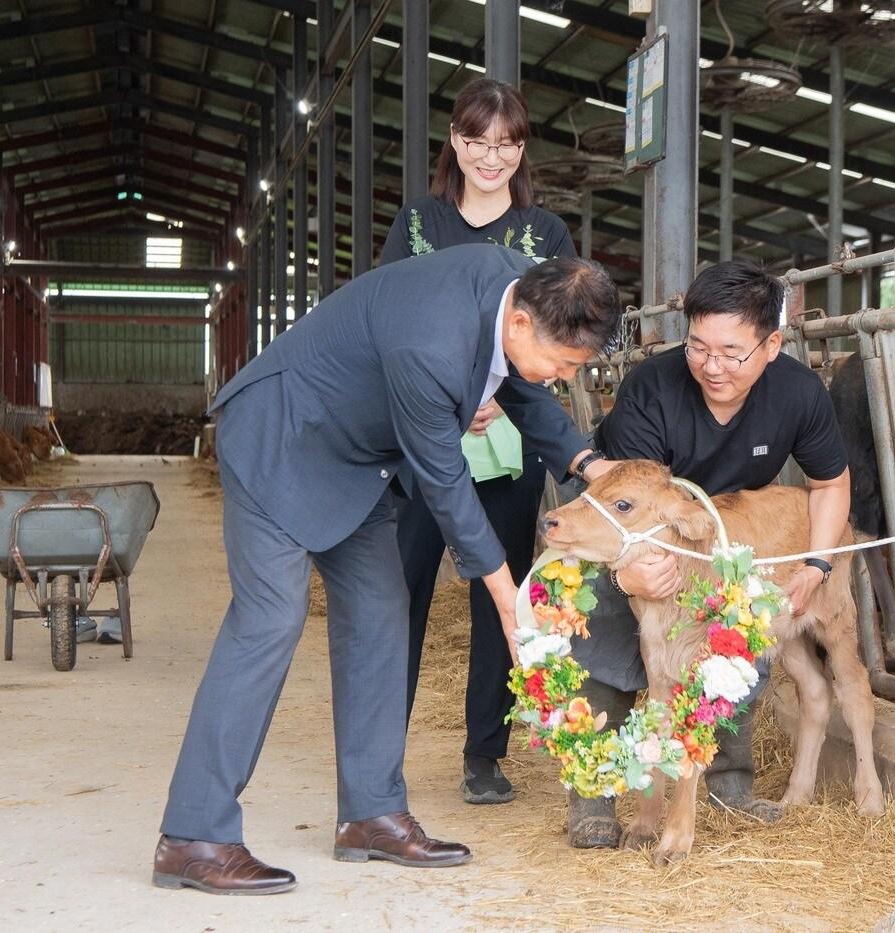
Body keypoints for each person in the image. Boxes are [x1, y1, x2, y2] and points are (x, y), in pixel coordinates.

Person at [154, 245, 621, 894]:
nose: (562, 375)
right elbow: (446, 483)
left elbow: (524, 384)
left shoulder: (528, 287)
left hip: (354, 456)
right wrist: (510, 600)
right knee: (270, 620)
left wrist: (591, 466)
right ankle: (193, 835)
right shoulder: (431, 344)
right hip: (280, 433)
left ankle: (370, 814)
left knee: (380, 614)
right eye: (564, 364)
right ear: (520, 324)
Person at [563, 259, 852, 849]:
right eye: (698, 347)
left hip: (722, 540)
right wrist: (632, 574)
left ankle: (728, 782)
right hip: (634, 533)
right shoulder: (652, 387)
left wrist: (817, 564)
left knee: (732, 647)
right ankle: (594, 794)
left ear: (771, 344)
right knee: (617, 644)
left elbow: (830, 483)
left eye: (731, 352)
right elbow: (623, 494)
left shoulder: (797, 392)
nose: (711, 366)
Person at [380, 77, 576, 806]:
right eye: (476, 141)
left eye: (506, 144)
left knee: (502, 596)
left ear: (520, 149)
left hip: (507, 442)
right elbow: (389, 315)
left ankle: (484, 753)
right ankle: (379, 754)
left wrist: (492, 397)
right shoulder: (419, 223)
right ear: (455, 142)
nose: (490, 157)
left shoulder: (545, 235)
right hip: (421, 439)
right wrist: (449, 397)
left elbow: (560, 328)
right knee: (401, 594)